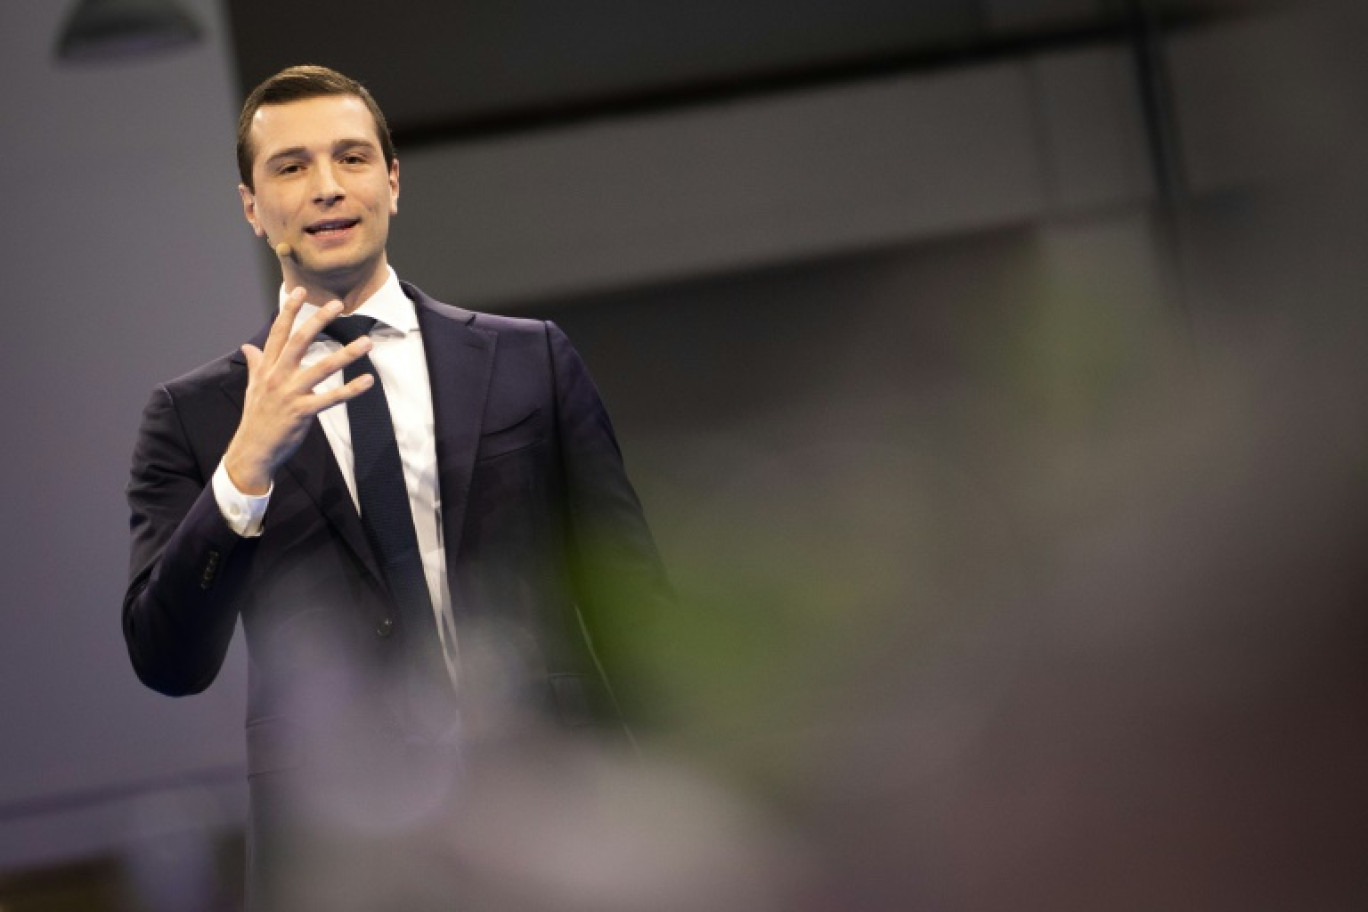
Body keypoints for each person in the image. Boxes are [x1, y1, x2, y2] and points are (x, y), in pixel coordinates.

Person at [122, 65, 671, 911]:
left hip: (553, 820)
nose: (328, 188)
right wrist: (244, 470)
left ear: (393, 180)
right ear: (250, 206)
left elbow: (631, 606)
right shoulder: (194, 418)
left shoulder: (531, 360)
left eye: (351, 157)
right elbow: (168, 660)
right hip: (349, 859)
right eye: (292, 167)